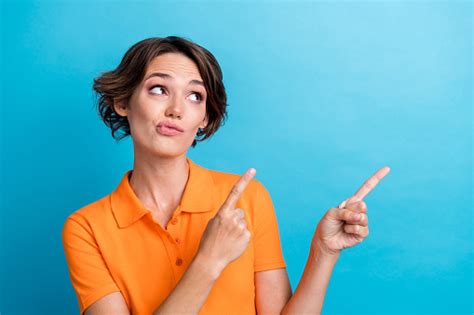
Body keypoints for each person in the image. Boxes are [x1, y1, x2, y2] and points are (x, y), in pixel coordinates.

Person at [61, 36, 390, 315]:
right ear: (122, 102)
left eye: (195, 96)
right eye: (159, 89)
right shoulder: (86, 228)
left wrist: (324, 252)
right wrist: (209, 260)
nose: (177, 109)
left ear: (204, 117)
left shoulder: (247, 196)